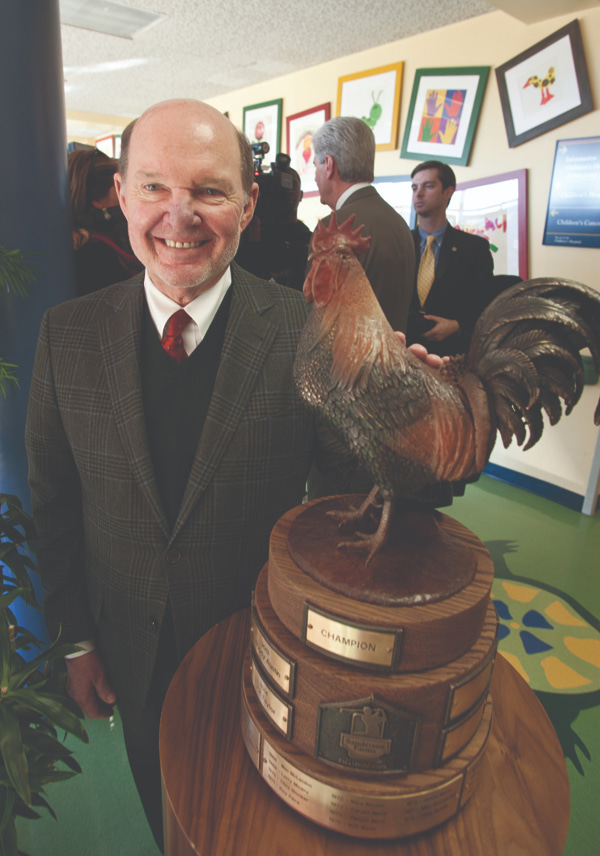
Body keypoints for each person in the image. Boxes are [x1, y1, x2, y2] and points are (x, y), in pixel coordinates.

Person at [25, 100, 442, 852]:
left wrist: (410, 426)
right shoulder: (67, 337)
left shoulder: (307, 329)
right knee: (165, 808)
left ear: (248, 204)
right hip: (130, 651)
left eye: (209, 190)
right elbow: (54, 506)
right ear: (120, 193)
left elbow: (360, 495)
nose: (178, 216)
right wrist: (77, 641)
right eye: (153, 187)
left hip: (268, 652)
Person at [312, 116, 415, 331]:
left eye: (315, 165)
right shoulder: (399, 224)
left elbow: (319, 326)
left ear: (329, 165)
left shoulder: (334, 226)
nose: (314, 177)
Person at [407, 160, 494, 357]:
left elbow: (485, 307)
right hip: (402, 355)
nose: (418, 194)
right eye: (414, 188)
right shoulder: (399, 244)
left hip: (450, 357)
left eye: (428, 186)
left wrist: (457, 326)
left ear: (448, 192)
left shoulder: (474, 249)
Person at [68, 148, 143, 295]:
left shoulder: (108, 238)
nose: (128, 196)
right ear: (97, 200)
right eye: (119, 188)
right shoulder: (93, 254)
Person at [235, 152, 311, 290]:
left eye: (292, 185)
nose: (288, 191)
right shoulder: (255, 231)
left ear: (300, 195)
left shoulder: (306, 238)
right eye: (282, 186)